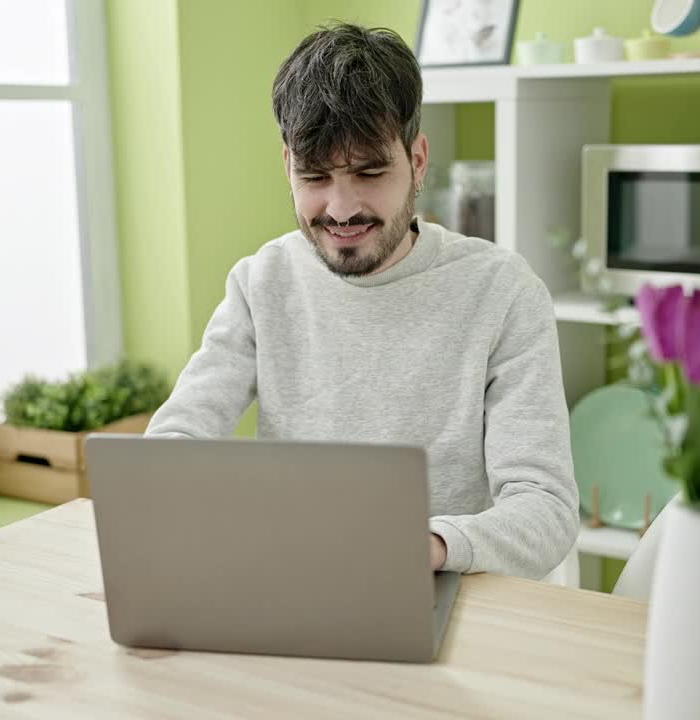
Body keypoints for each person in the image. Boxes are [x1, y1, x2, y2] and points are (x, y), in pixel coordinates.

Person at [145, 22, 577, 580]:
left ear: (417, 161)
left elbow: (546, 509)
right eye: (315, 176)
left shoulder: (503, 292)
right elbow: (175, 442)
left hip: (442, 592)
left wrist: (428, 545)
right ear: (287, 167)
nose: (341, 208)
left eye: (370, 172)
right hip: (290, 585)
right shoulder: (262, 281)